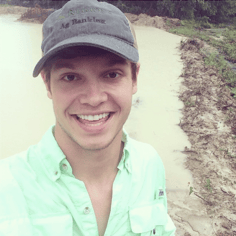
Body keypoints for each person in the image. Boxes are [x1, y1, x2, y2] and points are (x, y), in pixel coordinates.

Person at [0, 0, 176, 235]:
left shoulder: (150, 165)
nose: (94, 98)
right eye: (71, 77)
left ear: (134, 79)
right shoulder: (7, 189)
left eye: (111, 74)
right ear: (47, 83)